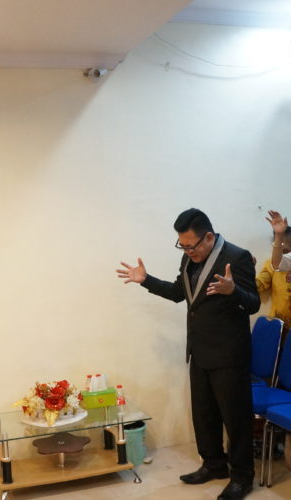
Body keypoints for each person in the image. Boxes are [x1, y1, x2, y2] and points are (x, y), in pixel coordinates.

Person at [116, 209, 260, 500]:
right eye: (182, 246)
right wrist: (145, 280)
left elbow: (254, 304)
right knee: (204, 414)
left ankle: (242, 477)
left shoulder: (237, 257)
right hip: (199, 350)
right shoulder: (188, 259)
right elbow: (177, 293)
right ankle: (214, 465)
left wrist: (233, 291)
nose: (187, 251)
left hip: (229, 354)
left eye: (191, 245)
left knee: (236, 420)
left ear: (209, 237)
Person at [256, 225, 291, 327]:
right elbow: (260, 283)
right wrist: (247, 273)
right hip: (279, 323)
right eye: (283, 252)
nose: (286, 257)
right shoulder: (271, 264)